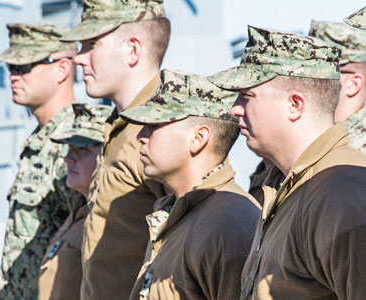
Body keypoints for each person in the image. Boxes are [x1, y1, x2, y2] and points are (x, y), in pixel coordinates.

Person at [208, 25, 366, 300]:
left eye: (247, 95)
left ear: (295, 105)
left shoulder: (341, 193)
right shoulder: (287, 185)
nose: (234, 108)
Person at [60, 1, 171, 299]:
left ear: (133, 50)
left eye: (91, 44)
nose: (79, 58)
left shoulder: (163, 131)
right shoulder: (121, 127)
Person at [119, 69, 261, 300]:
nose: (141, 136)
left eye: (154, 126)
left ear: (198, 139)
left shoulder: (228, 223)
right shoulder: (181, 212)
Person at [0, 23, 79, 299]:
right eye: (11, 69)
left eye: (24, 66)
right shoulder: (40, 139)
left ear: (62, 69)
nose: (13, 77)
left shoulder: (76, 145)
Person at [38, 103, 112, 300]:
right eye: (70, 147)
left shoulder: (111, 222)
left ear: (108, 155)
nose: (68, 158)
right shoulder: (80, 210)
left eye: (84, 149)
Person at [309, 21, 366, 153]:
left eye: (319, 74)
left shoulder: (356, 150)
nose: (306, 82)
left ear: (353, 84)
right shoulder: (318, 139)